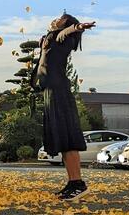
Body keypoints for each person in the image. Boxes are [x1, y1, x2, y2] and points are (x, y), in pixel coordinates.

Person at [34, 13, 96, 200]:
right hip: (51, 91)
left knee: (68, 138)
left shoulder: (63, 37)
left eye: (61, 18)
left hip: (59, 91)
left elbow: (66, 32)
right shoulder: (51, 38)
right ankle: (72, 183)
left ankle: (78, 184)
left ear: (66, 24)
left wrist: (78, 27)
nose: (55, 19)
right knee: (61, 138)